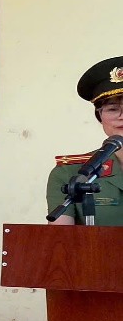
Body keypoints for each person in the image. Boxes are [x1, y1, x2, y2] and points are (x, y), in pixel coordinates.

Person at [47, 55, 123, 226]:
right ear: (100, 116)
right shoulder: (72, 173)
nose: (121, 116)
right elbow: (60, 237)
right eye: (112, 109)